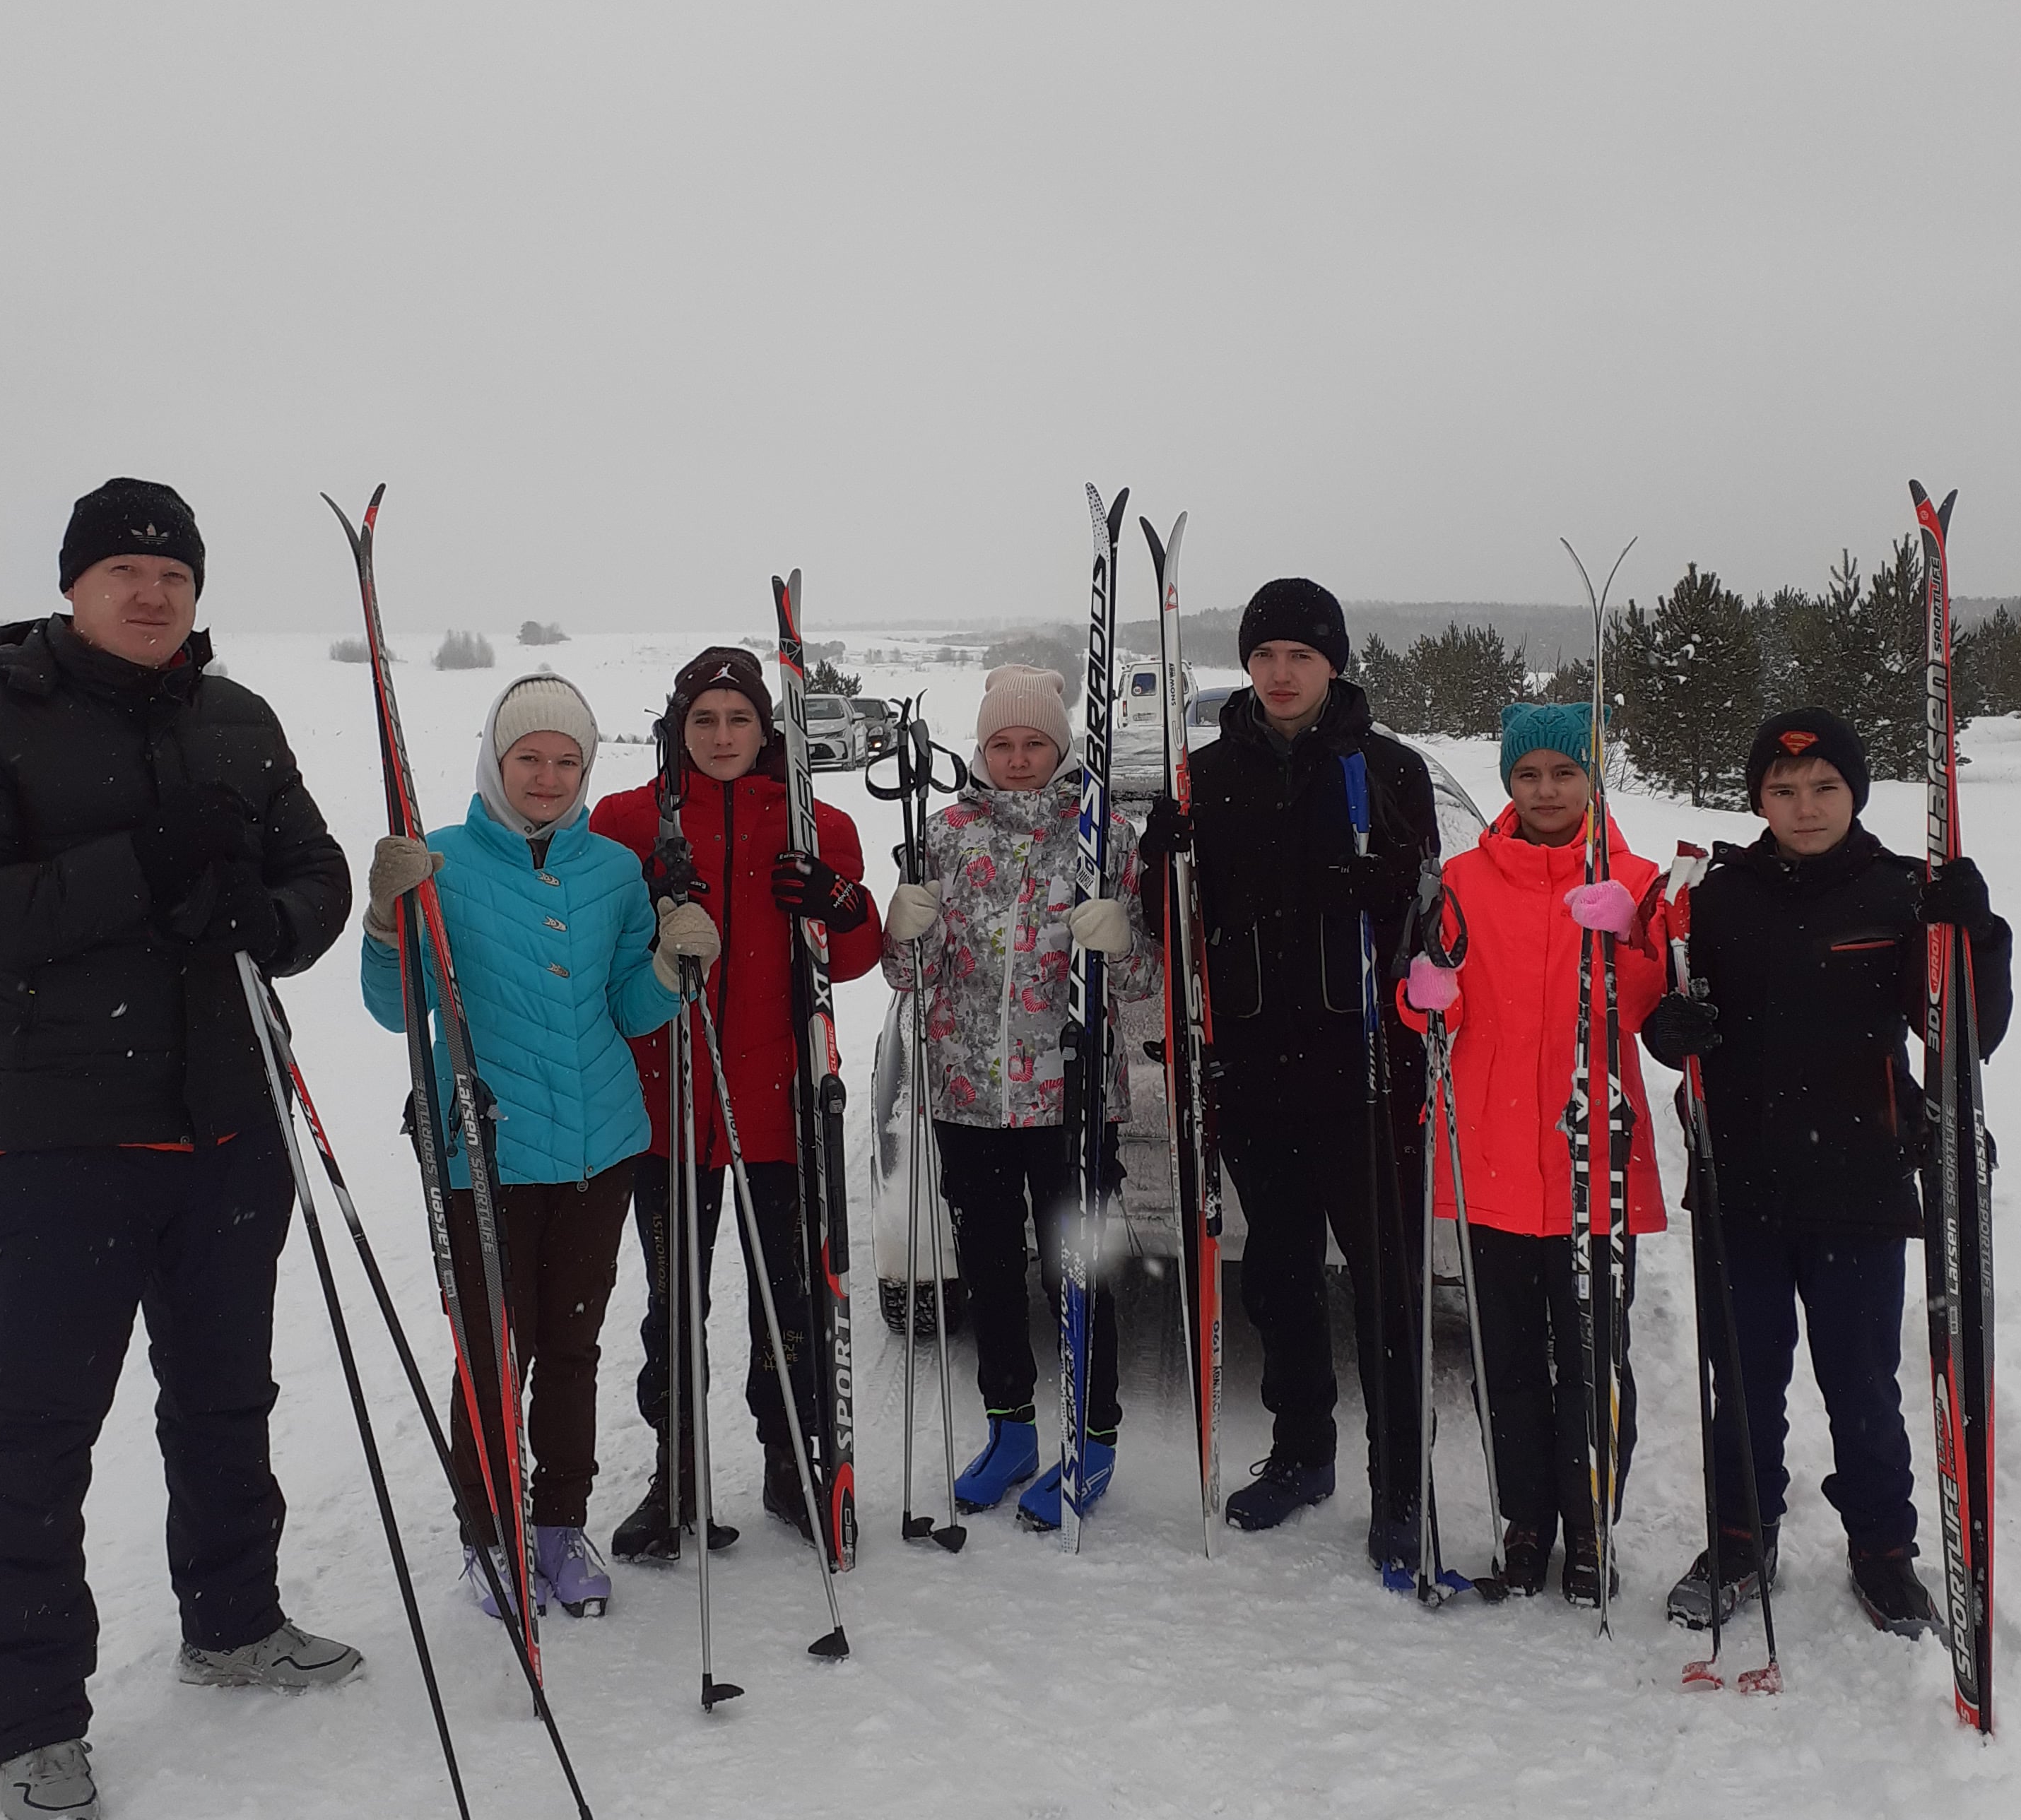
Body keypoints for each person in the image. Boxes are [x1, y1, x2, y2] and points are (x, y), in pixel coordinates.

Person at [0, 478, 358, 1820]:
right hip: (60, 1138)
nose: (153, 592)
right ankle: (34, 1718)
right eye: (124, 571)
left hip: (226, 1121)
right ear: (74, 583)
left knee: (225, 1394)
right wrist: (147, 860)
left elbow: (319, 873)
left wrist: (264, 915)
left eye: (174, 573)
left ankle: (232, 1619)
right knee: (41, 1427)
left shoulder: (238, 717)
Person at [1642, 709, 2013, 1635]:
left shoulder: (1903, 894)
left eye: (1823, 790)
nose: (1803, 808)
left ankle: (1884, 1551)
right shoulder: (1715, 891)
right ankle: (1738, 1537)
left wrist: (1980, 936)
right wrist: (1667, 1029)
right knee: (1745, 1375)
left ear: (1855, 793)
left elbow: (1969, 1036)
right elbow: (1670, 1003)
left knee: (1863, 1384)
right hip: (1743, 1184)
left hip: (1861, 1186)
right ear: (1757, 797)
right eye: (1781, 791)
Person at [360, 673, 702, 1619]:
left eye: (567, 761)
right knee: (491, 1355)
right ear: (495, 760)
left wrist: (672, 964)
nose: (547, 778)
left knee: (572, 1349)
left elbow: (629, 1007)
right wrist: (387, 924)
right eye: (530, 759)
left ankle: (557, 1527)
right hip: (486, 1154)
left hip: (601, 1149)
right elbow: (398, 1009)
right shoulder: (439, 861)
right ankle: (492, 1537)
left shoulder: (611, 871)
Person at [1165, 580, 1441, 1556]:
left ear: (1335, 665)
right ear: (1246, 664)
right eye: (1265, 655)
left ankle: (1399, 1485)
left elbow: (1434, 926)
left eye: (1303, 657)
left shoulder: (1389, 770)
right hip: (1252, 1066)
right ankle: (1301, 1452)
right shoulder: (1199, 777)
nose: (1281, 675)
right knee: (1278, 1276)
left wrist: (1394, 885)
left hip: (1364, 1070)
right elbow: (1175, 933)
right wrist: (1164, 866)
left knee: (1385, 1287)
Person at [591, 647, 883, 1550]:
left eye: (739, 720)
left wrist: (841, 902)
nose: (722, 737)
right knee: (671, 1305)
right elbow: (598, 946)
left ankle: (792, 1466)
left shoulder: (814, 822)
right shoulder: (627, 821)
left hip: (777, 1109)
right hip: (664, 1107)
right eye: (704, 721)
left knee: (785, 1303)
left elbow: (855, 956)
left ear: (768, 729)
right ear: (677, 731)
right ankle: (674, 1476)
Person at [1398, 701, 1667, 1602]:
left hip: (1595, 1163)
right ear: (1508, 784)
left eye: (1564, 772)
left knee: (1595, 1361)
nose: (1547, 790)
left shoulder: (1632, 879)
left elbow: (1643, 1014)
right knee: (1505, 1361)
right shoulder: (1467, 879)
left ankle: (1591, 1524)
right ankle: (1526, 1519)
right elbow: (1442, 1004)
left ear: (1592, 779)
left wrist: (1629, 938)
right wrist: (1425, 992)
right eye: (1528, 775)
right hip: (1495, 1161)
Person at [881, 663, 1157, 1525]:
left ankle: (1093, 1435)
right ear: (981, 749)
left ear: (1062, 746)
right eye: (1002, 743)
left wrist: (1124, 937)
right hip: (967, 1096)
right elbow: (904, 975)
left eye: (1035, 742)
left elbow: (1148, 975)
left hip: (1071, 1098)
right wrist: (906, 932)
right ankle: (1011, 1432)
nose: (1018, 757)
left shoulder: (1103, 836)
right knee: (992, 1273)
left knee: (1079, 1268)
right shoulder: (946, 836)